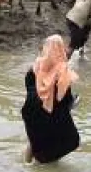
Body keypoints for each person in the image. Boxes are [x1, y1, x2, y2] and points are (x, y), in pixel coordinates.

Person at [20, 35, 80, 164]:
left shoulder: (34, 67)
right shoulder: (62, 71)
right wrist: (71, 103)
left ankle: (26, 165)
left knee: (35, 139)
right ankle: (45, 167)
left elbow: (30, 90)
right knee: (67, 141)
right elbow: (64, 98)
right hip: (49, 112)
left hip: (30, 110)